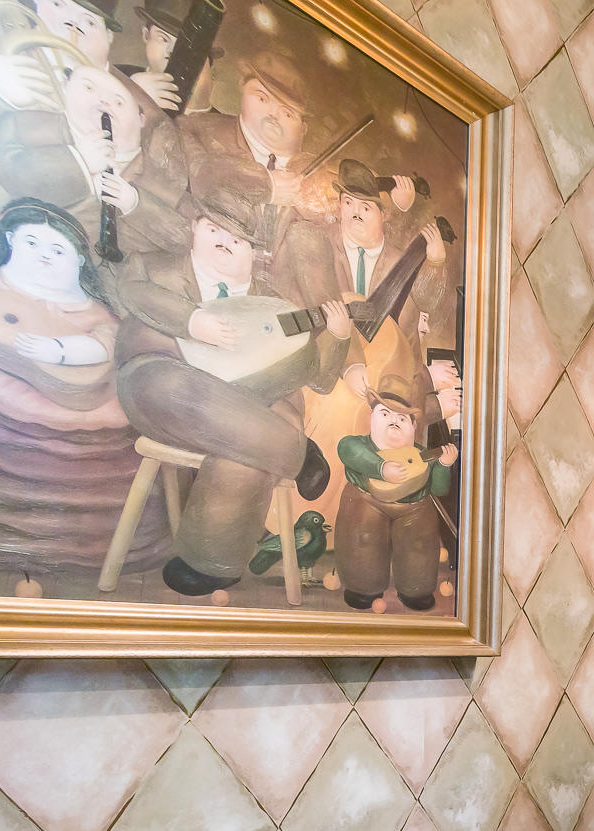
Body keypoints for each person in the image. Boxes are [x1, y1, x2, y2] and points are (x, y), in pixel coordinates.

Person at [115, 186, 347, 595]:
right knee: (188, 393)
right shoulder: (153, 267)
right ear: (193, 229)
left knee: (247, 442)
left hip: (256, 401)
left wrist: (340, 337)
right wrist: (192, 320)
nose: (225, 241)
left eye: (238, 240)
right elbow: (132, 292)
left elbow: (320, 378)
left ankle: (210, 561)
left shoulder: (274, 305)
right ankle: (298, 452)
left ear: (255, 255)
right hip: (162, 381)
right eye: (214, 229)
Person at [0, 197, 119, 415]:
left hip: (54, 401)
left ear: (80, 260)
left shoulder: (91, 311)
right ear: (11, 239)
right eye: (32, 243)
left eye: (58, 250)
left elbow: (108, 345)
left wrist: (59, 351)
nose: (45, 255)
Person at [0, 66, 190, 257]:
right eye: (89, 88)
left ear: (141, 119)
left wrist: (134, 204)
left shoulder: (162, 169)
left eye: (119, 102)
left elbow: (183, 239)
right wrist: (79, 161)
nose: (104, 102)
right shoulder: (23, 126)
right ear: (66, 86)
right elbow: (10, 173)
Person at [273, 158, 448, 344]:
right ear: (339, 206)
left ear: (384, 215)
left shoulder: (400, 260)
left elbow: (428, 303)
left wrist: (436, 263)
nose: (355, 213)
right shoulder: (315, 244)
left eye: (365, 207)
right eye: (348, 203)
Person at [334, 364, 455, 610]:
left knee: (419, 544)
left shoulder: (423, 456)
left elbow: (440, 489)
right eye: (385, 414)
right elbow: (346, 450)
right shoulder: (360, 445)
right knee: (362, 538)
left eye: (402, 418)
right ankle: (362, 588)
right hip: (366, 500)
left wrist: (443, 465)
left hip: (414, 508)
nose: (394, 421)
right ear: (371, 418)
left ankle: (416, 589)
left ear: (413, 428)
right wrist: (380, 467)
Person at [178, 50, 319, 256]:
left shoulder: (319, 179)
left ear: (303, 129)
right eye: (262, 99)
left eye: (287, 112)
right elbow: (199, 177)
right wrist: (266, 185)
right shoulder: (198, 131)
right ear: (243, 89)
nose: (273, 114)